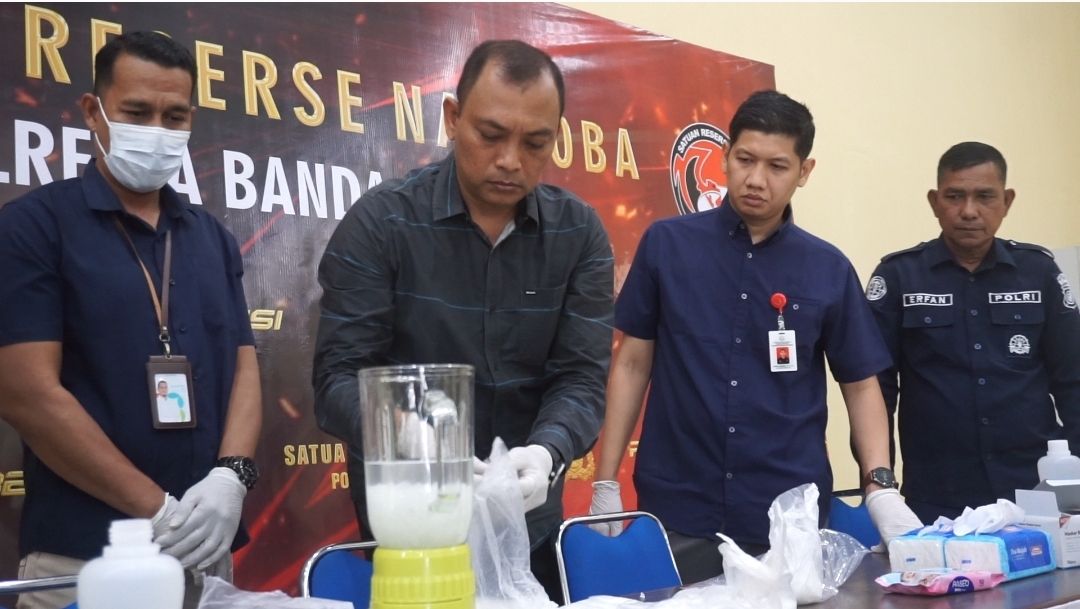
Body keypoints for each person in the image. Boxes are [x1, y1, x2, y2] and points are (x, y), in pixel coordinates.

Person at [312, 40, 613, 602]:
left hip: (529, 521)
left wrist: (546, 453)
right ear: (452, 118)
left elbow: (581, 377)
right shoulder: (382, 223)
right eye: (491, 135)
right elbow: (337, 379)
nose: (510, 160)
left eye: (535, 143)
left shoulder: (579, 234)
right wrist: (413, 437)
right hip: (412, 526)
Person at [587, 90, 921, 584]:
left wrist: (881, 485)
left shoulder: (827, 268)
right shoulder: (667, 245)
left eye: (777, 166)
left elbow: (860, 384)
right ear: (725, 156)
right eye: (745, 159)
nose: (756, 179)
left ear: (804, 171)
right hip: (679, 505)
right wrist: (605, 481)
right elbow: (633, 364)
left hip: (788, 514)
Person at [0, 32, 262, 609]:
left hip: (206, 558)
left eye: (175, 117)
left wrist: (232, 476)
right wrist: (158, 511)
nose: (157, 131)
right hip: (83, 562)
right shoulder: (32, 227)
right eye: (137, 113)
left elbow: (243, 363)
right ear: (94, 112)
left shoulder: (212, 237)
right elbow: (26, 395)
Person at [866, 142, 1080, 523]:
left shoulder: (1039, 273)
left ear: (1007, 201)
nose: (968, 211)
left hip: (1036, 493)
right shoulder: (899, 277)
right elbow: (876, 394)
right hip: (936, 496)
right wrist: (882, 489)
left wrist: (1074, 483)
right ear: (934, 202)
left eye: (984, 196)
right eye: (954, 196)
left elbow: (1072, 380)